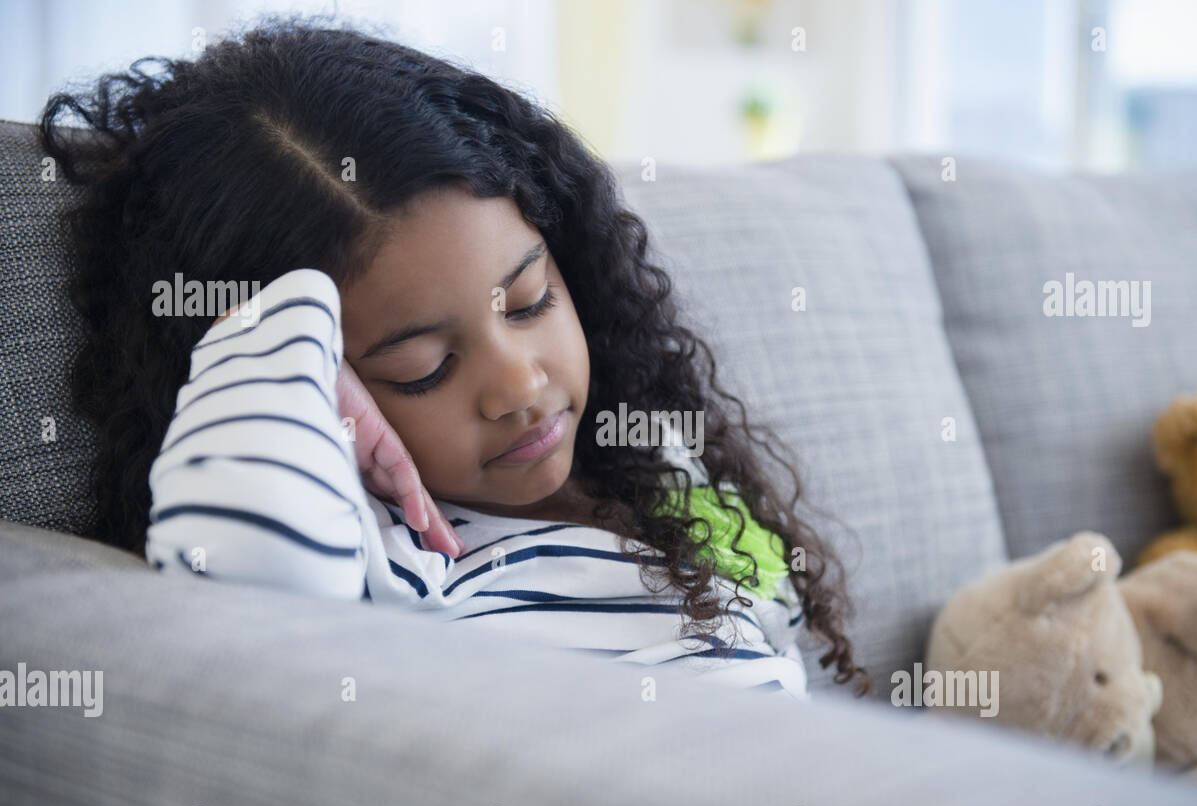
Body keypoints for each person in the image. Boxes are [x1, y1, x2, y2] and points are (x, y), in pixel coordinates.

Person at [38, 15, 870, 702]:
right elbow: (245, 555)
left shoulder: (655, 465)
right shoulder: (386, 559)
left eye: (530, 300)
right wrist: (268, 334)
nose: (518, 383)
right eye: (421, 368)